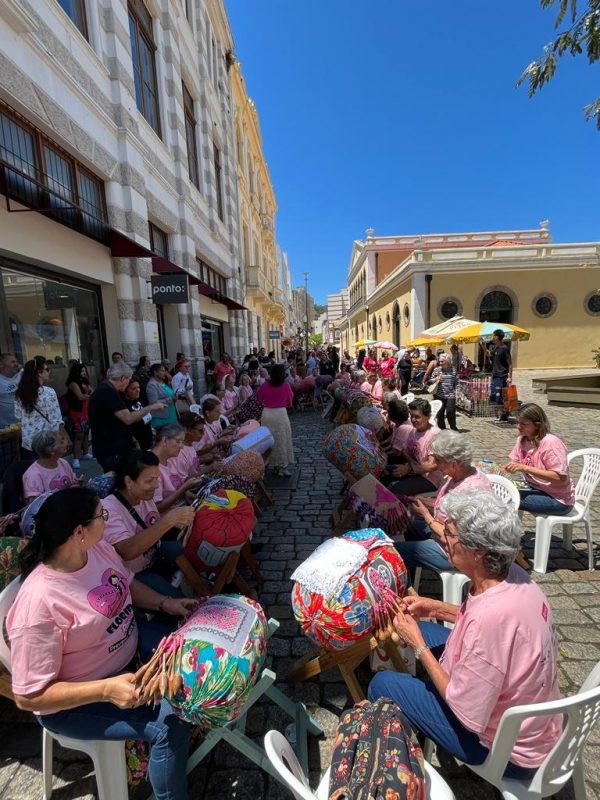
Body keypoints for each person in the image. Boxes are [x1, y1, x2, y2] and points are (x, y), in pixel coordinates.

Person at [7, 487, 195, 800]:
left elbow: (127, 583)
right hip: (76, 700)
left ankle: (177, 757)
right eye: (101, 516)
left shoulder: (95, 549)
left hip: (128, 653)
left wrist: (166, 604)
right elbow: (30, 697)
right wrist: (106, 690)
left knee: (189, 651)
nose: (106, 521)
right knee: (169, 720)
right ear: (79, 531)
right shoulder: (39, 604)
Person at [369, 490, 562, 779]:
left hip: (506, 750)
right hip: (533, 720)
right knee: (423, 627)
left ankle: (401, 770)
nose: (442, 539)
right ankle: (422, 696)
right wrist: (435, 607)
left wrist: (419, 646)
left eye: (449, 534)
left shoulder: (491, 620)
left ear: (479, 550)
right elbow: (478, 618)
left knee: (381, 683)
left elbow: (466, 710)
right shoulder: (513, 578)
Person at [396, 431, 491, 572]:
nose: (436, 465)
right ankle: (413, 572)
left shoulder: (471, 491)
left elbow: (454, 536)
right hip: (443, 534)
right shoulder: (458, 475)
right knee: (404, 522)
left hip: (456, 552)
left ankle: (408, 574)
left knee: (393, 552)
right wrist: (426, 502)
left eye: (438, 461)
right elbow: (446, 507)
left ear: (453, 463)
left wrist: (426, 515)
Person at [102, 450, 196, 593]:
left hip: (154, 555)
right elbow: (126, 551)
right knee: (176, 600)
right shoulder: (109, 509)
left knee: (195, 549)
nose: (156, 485)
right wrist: (167, 521)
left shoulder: (143, 496)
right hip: (133, 574)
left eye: (156, 478)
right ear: (128, 482)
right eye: (149, 481)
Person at [88, 362, 164, 472]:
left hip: (114, 447)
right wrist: (151, 407)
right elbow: (128, 418)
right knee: (120, 480)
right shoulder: (107, 391)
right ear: (123, 378)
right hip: (112, 449)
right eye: (128, 380)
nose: (128, 383)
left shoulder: (106, 389)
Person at [503, 403, 575, 515]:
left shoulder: (551, 443)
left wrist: (525, 468)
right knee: (500, 489)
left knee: (505, 498)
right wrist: (505, 468)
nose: (518, 426)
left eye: (524, 424)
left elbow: (560, 477)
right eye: (518, 422)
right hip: (534, 489)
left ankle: (504, 531)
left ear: (537, 425)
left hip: (557, 499)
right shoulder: (523, 439)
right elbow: (515, 461)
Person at [14, 357, 66, 461]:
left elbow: (18, 415)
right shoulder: (49, 392)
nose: (49, 372)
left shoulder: (20, 393)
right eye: (47, 369)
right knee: (49, 472)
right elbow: (55, 419)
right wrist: (61, 438)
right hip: (46, 442)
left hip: (28, 441)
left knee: (34, 472)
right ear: (39, 373)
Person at [390, 398, 442, 496]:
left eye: (417, 417)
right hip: (415, 472)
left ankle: (400, 510)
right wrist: (411, 462)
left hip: (429, 479)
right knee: (385, 472)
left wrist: (409, 469)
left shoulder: (434, 434)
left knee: (396, 490)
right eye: (411, 416)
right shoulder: (414, 431)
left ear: (428, 416)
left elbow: (433, 465)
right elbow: (404, 450)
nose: (413, 420)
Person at [151, 424, 203, 512]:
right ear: (165, 440)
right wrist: (184, 488)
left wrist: (186, 493)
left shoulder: (171, 459)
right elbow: (157, 508)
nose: (182, 446)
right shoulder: (150, 467)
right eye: (178, 441)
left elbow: (175, 487)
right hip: (172, 518)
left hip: (183, 508)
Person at [256, 363, 294, 478]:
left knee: (268, 440)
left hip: (267, 413)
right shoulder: (286, 385)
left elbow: (259, 398)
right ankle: (281, 467)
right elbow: (289, 400)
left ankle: (267, 463)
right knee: (282, 439)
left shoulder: (265, 385)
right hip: (280, 414)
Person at [23, 430, 77, 502]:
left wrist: (76, 486)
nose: (66, 442)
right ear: (51, 451)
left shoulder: (63, 463)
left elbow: (72, 483)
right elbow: (35, 506)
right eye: (61, 442)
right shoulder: (33, 475)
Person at [65, 362, 93, 468]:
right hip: (77, 412)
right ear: (76, 372)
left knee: (86, 433)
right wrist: (88, 396)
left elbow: (91, 392)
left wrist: (88, 395)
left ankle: (85, 453)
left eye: (85, 371)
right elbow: (80, 397)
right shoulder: (73, 383)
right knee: (79, 435)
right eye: (82, 371)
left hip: (86, 410)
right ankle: (75, 458)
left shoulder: (85, 382)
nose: (84, 373)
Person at [484, 330, 512, 422]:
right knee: (493, 396)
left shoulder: (504, 348)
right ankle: (504, 413)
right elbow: (489, 354)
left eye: (493, 335)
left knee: (498, 395)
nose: (492, 337)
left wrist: (509, 376)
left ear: (497, 337)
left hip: (501, 375)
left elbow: (510, 363)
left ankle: (503, 414)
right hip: (495, 375)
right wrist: (483, 345)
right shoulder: (496, 347)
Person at [429, 354, 458, 431]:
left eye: (442, 361)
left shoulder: (453, 370)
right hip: (439, 394)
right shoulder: (437, 370)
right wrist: (435, 379)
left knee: (450, 411)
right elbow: (430, 380)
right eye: (439, 361)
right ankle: (442, 429)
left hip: (450, 394)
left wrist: (458, 392)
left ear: (447, 361)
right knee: (440, 413)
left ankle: (453, 427)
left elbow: (457, 382)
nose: (440, 363)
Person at [123, 378, 153, 450]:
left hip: (147, 437)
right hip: (137, 442)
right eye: (133, 389)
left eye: (138, 387)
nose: (137, 390)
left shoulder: (138, 399)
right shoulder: (124, 406)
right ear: (125, 391)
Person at [146, 363, 178, 431]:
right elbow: (153, 403)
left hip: (170, 413)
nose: (165, 373)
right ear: (155, 372)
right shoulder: (151, 385)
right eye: (162, 371)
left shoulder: (162, 382)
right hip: (162, 417)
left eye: (165, 371)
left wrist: (174, 398)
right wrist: (170, 399)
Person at [0, 352, 21, 427]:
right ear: (1, 365)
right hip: (6, 428)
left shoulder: (21, 377)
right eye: (12, 362)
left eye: (16, 362)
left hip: (25, 425)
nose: (16, 364)